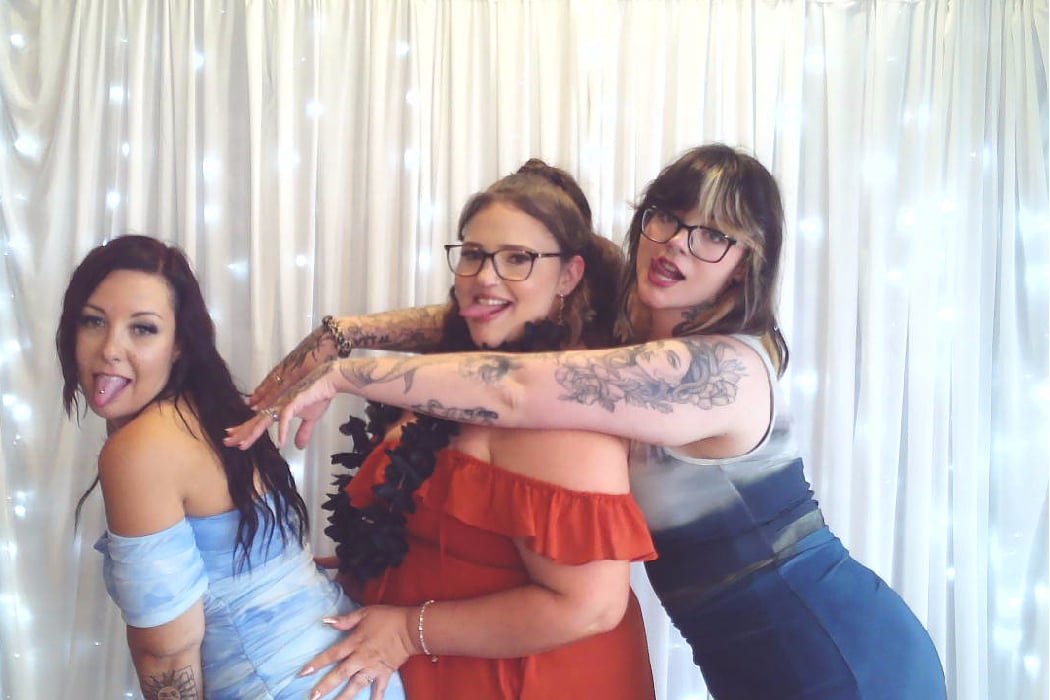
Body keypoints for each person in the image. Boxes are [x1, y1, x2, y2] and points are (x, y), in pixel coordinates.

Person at [227, 144, 948, 699]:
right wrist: (344, 333)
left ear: (744, 265)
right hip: (737, 651)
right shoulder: (630, 322)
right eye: (667, 217)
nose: (677, 244)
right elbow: (497, 303)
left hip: (834, 647)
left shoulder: (725, 369)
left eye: (713, 236)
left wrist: (349, 372)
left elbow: (517, 387)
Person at [280, 160, 657, 699]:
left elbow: (591, 606)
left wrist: (407, 631)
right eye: (475, 254)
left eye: (517, 258)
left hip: (531, 682)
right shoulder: (454, 378)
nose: (485, 276)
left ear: (569, 277)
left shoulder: (564, 417)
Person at [57, 235, 406, 700]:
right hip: (355, 679)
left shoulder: (140, 449)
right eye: (94, 321)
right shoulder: (214, 411)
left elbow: (167, 653)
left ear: (179, 344)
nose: (110, 348)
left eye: (142, 328)